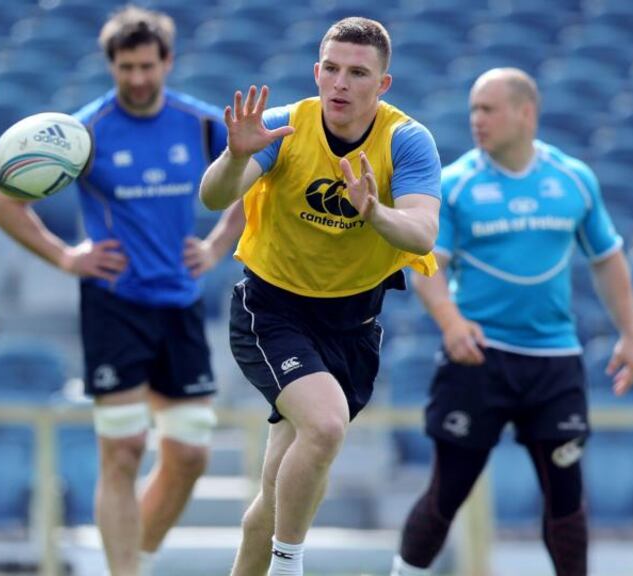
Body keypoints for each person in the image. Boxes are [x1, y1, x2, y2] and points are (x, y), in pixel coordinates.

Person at [0, 6, 244, 576]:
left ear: (167, 61)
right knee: (123, 452)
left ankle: (125, 560)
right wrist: (65, 256)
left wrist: (221, 243)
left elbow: (263, 175)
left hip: (179, 301)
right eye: (126, 67)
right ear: (112, 66)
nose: (138, 78)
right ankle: (124, 570)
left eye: (148, 65)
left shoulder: (200, 124)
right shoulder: (83, 133)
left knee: (191, 455)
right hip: (115, 303)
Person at [198, 16, 441, 576]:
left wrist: (375, 212)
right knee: (326, 425)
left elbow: (423, 233)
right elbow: (214, 199)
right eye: (331, 69)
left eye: (357, 73)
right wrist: (236, 158)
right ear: (315, 72)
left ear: (382, 85)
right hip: (272, 311)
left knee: (277, 489)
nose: (340, 83)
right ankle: (290, 566)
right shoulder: (284, 126)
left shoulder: (407, 140)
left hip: (353, 326)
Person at [390, 68, 633, 576]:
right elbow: (427, 267)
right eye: (473, 110)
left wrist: (631, 334)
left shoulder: (573, 178)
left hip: (554, 362)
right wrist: (451, 323)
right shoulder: (456, 184)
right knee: (448, 491)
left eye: (488, 109)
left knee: (566, 500)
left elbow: (607, 258)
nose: (476, 120)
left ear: (526, 113)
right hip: (479, 358)